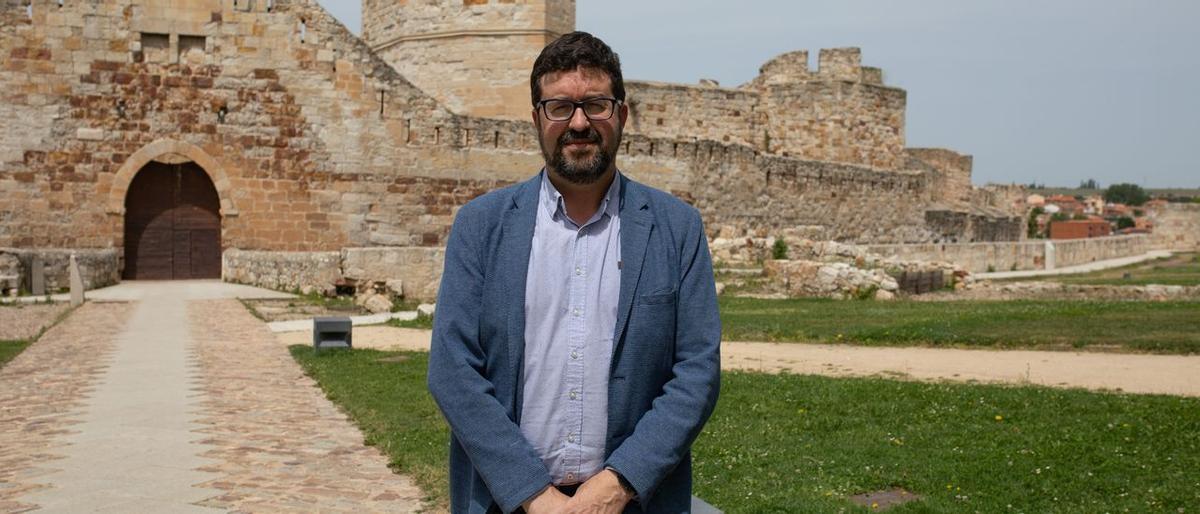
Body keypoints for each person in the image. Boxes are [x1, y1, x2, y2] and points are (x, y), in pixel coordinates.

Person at [427, 31, 721, 514]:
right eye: (560, 107)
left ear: (622, 114)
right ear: (537, 119)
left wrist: (619, 483)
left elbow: (697, 372)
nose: (579, 122)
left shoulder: (676, 228)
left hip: (633, 503)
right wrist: (532, 493)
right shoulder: (481, 225)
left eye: (596, 105)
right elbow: (452, 371)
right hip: (507, 502)